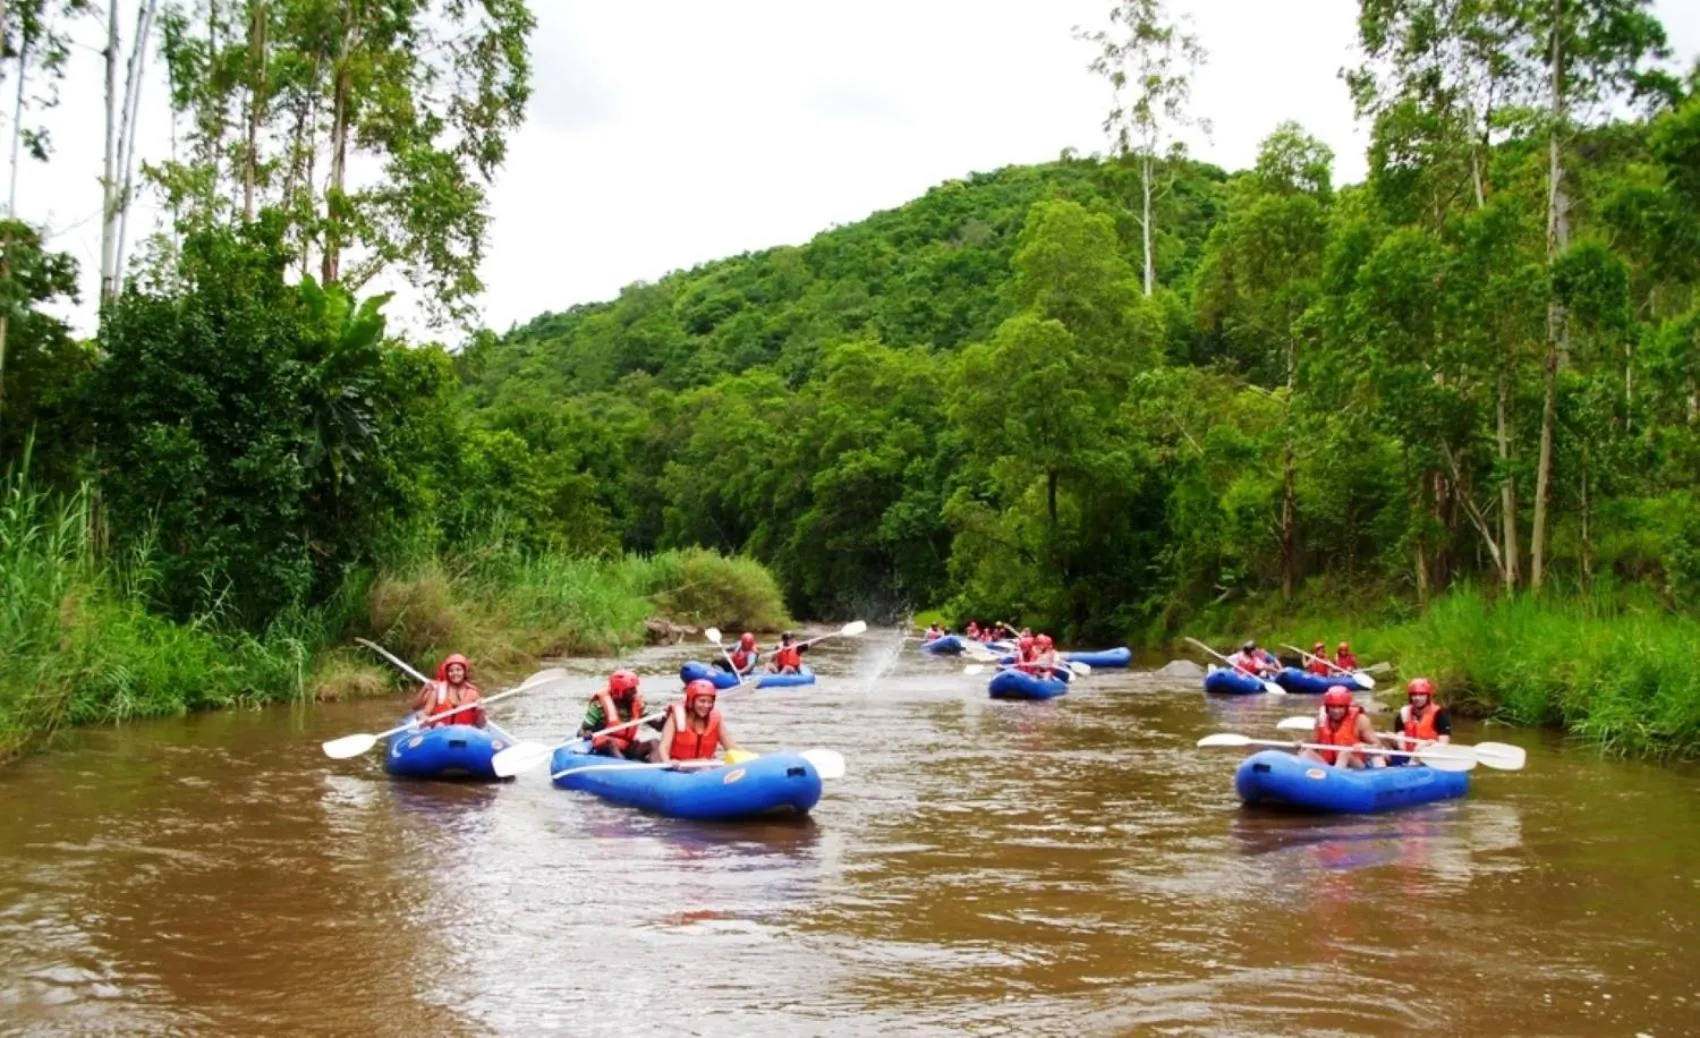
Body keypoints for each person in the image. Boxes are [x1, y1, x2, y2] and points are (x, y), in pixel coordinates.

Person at [578, 668, 654, 760]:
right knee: (611, 743)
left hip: (627, 746)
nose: (635, 692)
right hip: (606, 746)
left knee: (653, 743)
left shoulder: (637, 704)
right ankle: (624, 767)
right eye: (631, 689)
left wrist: (668, 718)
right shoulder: (599, 705)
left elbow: (657, 726)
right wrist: (586, 733)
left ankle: (664, 771)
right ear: (619, 691)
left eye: (635, 688)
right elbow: (581, 731)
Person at [657, 679, 739, 764]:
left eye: (710, 702)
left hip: (705, 766)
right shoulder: (676, 717)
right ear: (690, 701)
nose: (706, 705)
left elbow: (730, 745)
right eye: (702, 701)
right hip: (680, 767)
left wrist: (747, 758)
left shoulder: (715, 719)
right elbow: (664, 746)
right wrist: (667, 761)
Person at [1300, 686, 1379, 769]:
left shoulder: (1360, 720)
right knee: (1306, 753)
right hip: (1330, 767)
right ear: (1327, 707)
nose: (1336, 711)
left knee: (1345, 752)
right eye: (1332, 707)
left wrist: (1364, 746)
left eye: (1340, 707)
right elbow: (1314, 744)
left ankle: (1334, 777)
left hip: (1356, 768)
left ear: (1347, 707)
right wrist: (1303, 745)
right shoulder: (1321, 720)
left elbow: (1378, 746)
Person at [410, 653, 485, 728]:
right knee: (438, 724)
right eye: (451, 671)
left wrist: (481, 711)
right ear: (447, 673)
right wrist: (424, 717)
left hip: (463, 734)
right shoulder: (439, 690)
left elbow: (480, 725)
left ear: (464, 672)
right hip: (440, 731)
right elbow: (424, 713)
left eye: (458, 670)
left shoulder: (473, 694)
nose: (455, 673)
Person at [1390, 677, 1451, 760]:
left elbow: (1443, 744)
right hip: (1407, 756)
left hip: (1429, 757)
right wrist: (1394, 741)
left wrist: (1428, 746)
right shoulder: (1403, 714)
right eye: (1414, 694)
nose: (1417, 698)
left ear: (1428, 696)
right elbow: (1401, 744)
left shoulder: (1440, 714)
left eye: (1421, 694)